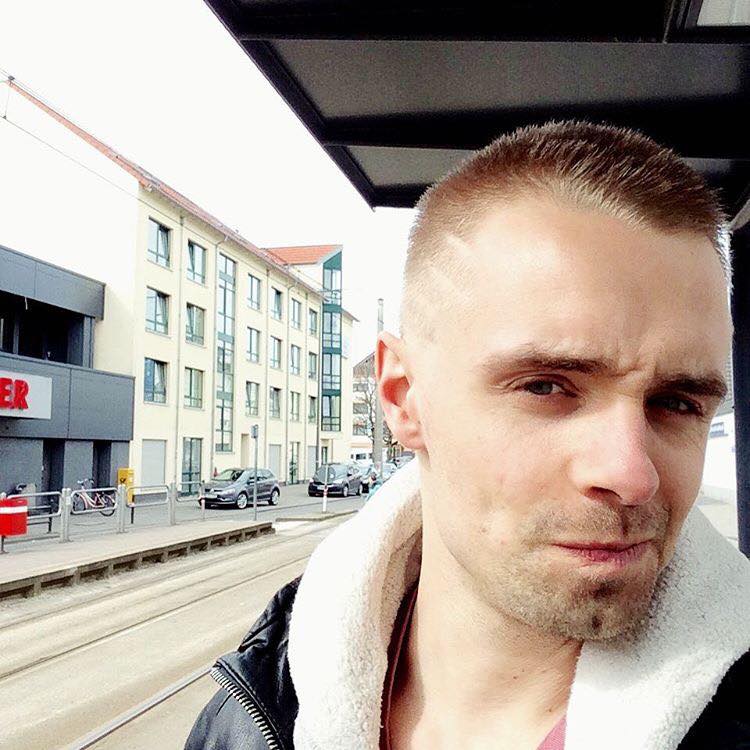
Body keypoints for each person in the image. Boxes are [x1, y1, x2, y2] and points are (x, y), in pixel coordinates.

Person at [185, 121, 750, 750]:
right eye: (546, 386)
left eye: (677, 403)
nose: (631, 473)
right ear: (404, 398)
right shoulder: (247, 718)